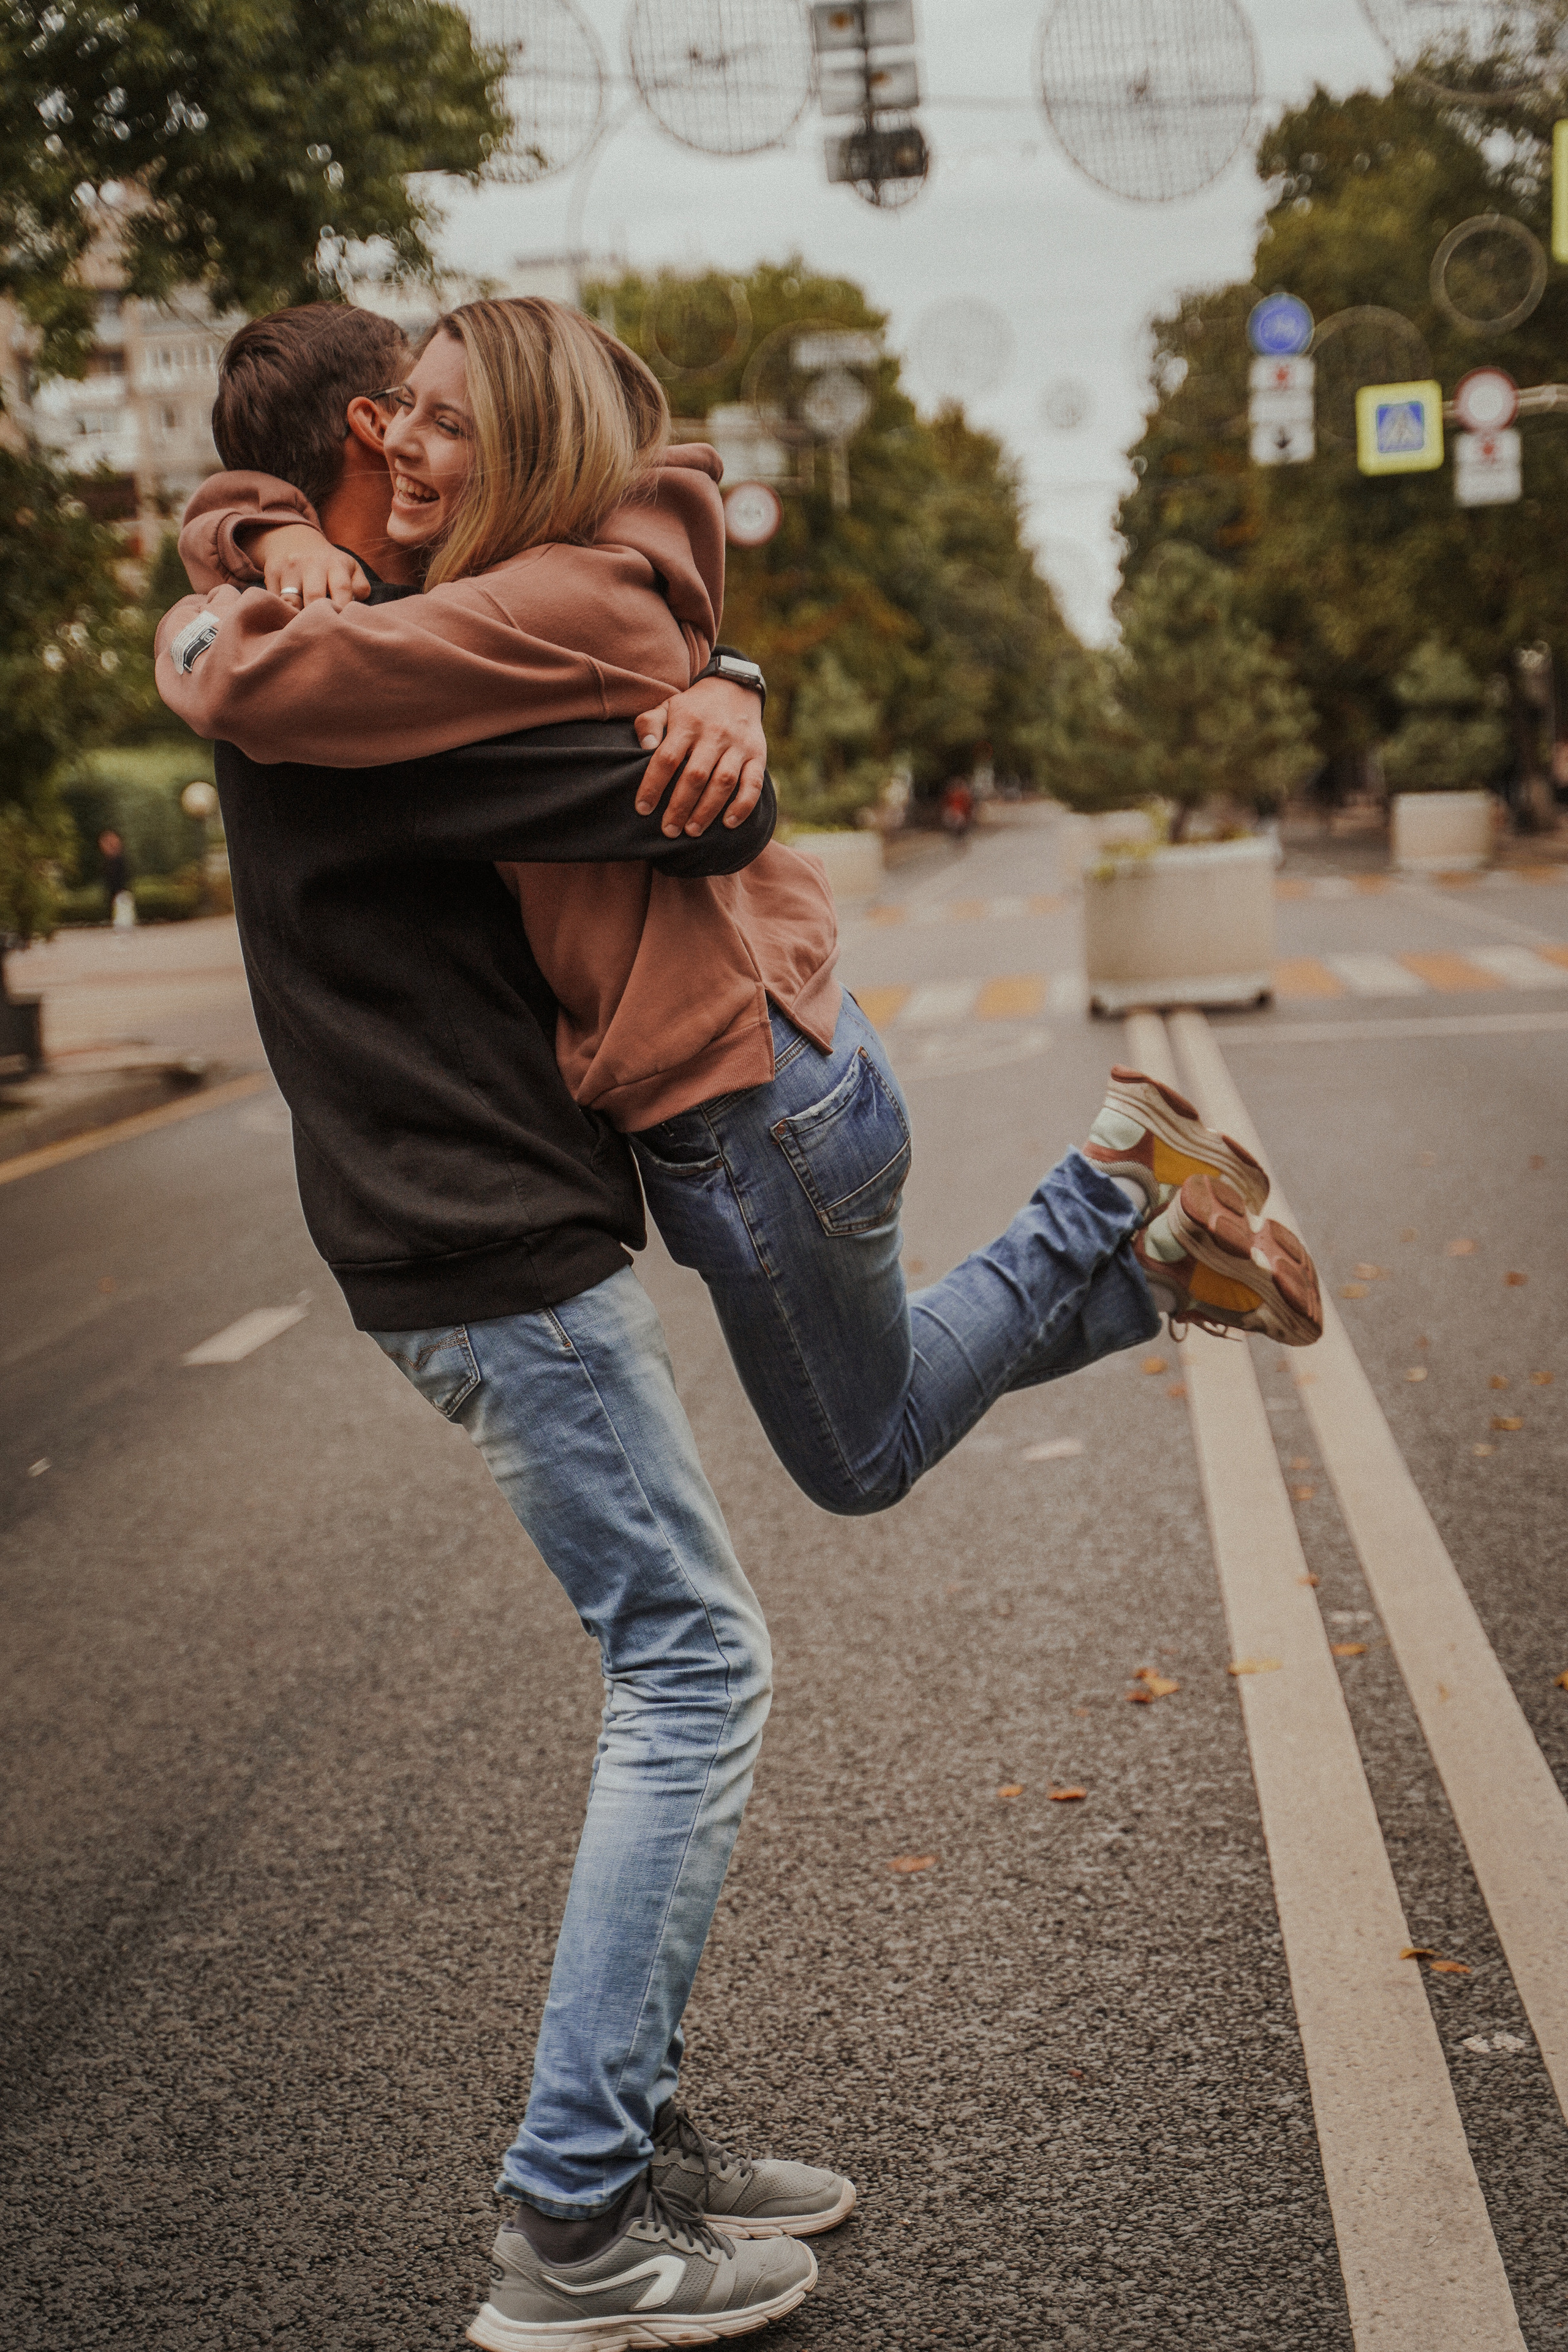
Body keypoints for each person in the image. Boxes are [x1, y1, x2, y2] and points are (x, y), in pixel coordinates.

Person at [159, 298, 1322, 2350]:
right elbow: (391, 663)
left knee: (731, 1603)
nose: (421, 463)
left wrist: (718, 683)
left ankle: (615, 2162)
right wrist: (249, 552)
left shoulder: (441, 639)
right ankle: (582, 2219)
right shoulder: (351, 668)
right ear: (365, 437)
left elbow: (645, 619)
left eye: (451, 428)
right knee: (714, 1640)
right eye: (397, 434)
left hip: (547, 1202)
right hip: (491, 1235)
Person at [98, 827, 135, 929]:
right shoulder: (109, 861)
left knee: (123, 916)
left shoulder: (118, 860)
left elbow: (121, 877)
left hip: (120, 891)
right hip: (116, 892)